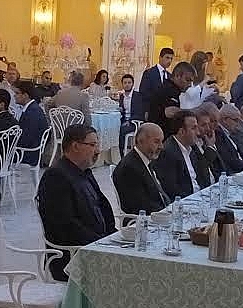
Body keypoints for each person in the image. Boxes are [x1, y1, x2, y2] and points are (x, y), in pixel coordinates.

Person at [37, 123, 115, 280]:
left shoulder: (83, 171)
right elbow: (66, 226)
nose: (98, 151)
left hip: (94, 246)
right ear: (75, 146)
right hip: (72, 256)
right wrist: (102, 243)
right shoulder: (56, 177)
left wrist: (115, 237)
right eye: (92, 145)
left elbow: (103, 207)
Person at [112, 122, 170, 216]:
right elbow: (141, 207)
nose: (161, 146)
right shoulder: (129, 168)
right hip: (146, 220)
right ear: (140, 141)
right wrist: (168, 214)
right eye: (156, 142)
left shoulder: (147, 160)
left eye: (161, 141)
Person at [152, 110, 212, 199]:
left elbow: (204, 175)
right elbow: (172, 190)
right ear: (182, 131)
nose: (198, 132)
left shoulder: (192, 148)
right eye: (193, 128)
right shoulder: (168, 152)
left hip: (200, 197)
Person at [147, 61, 194, 136]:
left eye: (191, 81)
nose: (190, 85)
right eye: (187, 80)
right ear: (177, 76)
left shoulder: (175, 91)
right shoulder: (167, 91)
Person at [13, 81, 48, 166]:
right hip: (31, 152)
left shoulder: (32, 113)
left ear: (25, 95)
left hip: (27, 155)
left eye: (17, 93)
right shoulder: (33, 108)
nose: (14, 96)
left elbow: (25, 139)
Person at [137, 47, 175, 115]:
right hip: (152, 111)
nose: (169, 61)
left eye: (171, 59)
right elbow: (143, 93)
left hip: (166, 113)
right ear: (160, 58)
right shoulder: (149, 73)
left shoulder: (170, 76)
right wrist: (146, 111)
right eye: (167, 57)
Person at [213, 105, 243, 175]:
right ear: (225, 120)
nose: (238, 124)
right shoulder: (218, 134)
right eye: (236, 120)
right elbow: (230, 160)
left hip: (242, 169)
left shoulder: (230, 132)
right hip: (234, 173)